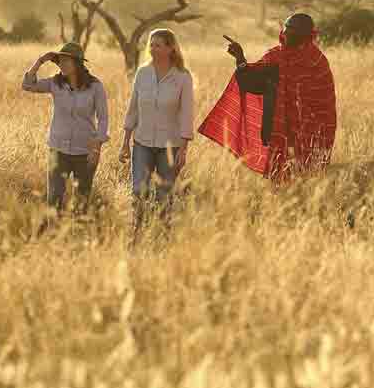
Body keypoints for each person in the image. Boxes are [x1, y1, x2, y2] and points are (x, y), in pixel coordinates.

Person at [199, 12, 337, 181]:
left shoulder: (317, 62)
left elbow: (325, 106)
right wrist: (240, 58)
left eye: (291, 29)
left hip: (309, 134)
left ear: (305, 35)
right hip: (278, 130)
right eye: (285, 27)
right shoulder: (275, 56)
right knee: (279, 182)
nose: (285, 32)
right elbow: (252, 83)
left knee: (308, 181)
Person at [119, 28, 195, 228]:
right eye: (151, 45)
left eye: (158, 45)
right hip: (142, 142)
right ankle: (137, 230)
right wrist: (125, 142)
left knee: (164, 195)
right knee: (138, 190)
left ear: (171, 49)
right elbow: (133, 107)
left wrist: (184, 149)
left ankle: (162, 233)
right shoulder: (142, 73)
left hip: (170, 147)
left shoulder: (182, 77)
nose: (152, 49)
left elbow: (187, 114)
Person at [21, 41, 108, 212]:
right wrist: (40, 61)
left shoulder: (95, 86)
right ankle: (54, 236)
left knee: (82, 201)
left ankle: (79, 236)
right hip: (58, 149)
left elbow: (103, 118)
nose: (62, 64)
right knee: (54, 199)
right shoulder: (55, 83)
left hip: (85, 151)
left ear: (78, 63)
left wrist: (97, 145)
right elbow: (27, 85)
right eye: (60, 60)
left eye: (66, 61)